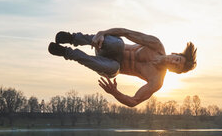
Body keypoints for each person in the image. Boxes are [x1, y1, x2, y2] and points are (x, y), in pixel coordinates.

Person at [48, 28, 196, 107]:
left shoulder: (156, 80)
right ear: (175, 53)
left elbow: (134, 101)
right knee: (118, 43)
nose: (173, 62)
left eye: (176, 66)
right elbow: (126, 33)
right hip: (106, 46)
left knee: (114, 68)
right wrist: (103, 33)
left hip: (108, 65)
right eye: (177, 59)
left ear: (174, 71)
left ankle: (66, 52)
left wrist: (115, 92)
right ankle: (73, 38)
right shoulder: (156, 44)